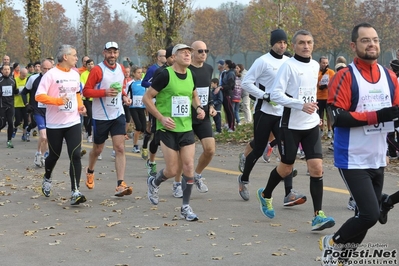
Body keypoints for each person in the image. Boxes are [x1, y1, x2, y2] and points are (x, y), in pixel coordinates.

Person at [320, 22, 399, 264]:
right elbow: (338, 117)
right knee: (369, 214)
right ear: (354, 46)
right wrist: (378, 115)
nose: (372, 44)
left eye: (375, 39)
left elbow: (395, 115)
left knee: (366, 215)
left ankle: (342, 258)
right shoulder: (345, 76)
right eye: (365, 40)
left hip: (377, 156)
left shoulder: (390, 77)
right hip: (352, 157)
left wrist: (392, 146)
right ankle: (332, 242)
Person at [260, 29, 335, 231]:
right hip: (290, 126)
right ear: (294, 46)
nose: (306, 46)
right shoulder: (288, 66)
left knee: (316, 168)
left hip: (310, 124)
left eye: (309, 42)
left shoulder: (314, 66)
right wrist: (299, 105)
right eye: (301, 42)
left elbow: (310, 94)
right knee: (286, 168)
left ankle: (317, 215)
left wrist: (313, 114)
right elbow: (275, 95)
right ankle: (266, 194)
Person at [239, 29, 303, 204]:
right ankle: (244, 179)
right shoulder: (262, 61)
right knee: (259, 149)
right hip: (265, 113)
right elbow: (246, 83)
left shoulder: (289, 62)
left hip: (283, 114)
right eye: (279, 42)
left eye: (284, 42)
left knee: (287, 153)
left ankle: (289, 193)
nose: (282, 45)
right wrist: (265, 96)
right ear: (272, 43)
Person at [143, 44, 205, 221]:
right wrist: (161, 118)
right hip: (168, 129)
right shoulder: (165, 74)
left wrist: (199, 108)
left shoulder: (190, 74)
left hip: (186, 128)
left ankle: (185, 206)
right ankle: (154, 182)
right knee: (172, 170)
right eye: (184, 53)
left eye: (189, 53)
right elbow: (147, 98)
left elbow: (193, 95)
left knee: (188, 167)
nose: (188, 55)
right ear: (174, 56)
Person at [35, 45, 87, 205]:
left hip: (73, 121)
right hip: (55, 124)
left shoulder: (75, 74)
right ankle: (47, 176)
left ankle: (75, 191)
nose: (77, 58)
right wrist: (56, 101)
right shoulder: (50, 75)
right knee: (54, 155)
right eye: (74, 55)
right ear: (65, 56)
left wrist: (80, 106)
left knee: (75, 154)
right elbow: (39, 96)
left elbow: (77, 93)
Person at [83, 41, 133, 197]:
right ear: (104, 53)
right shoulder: (98, 70)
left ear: (118, 53)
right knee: (98, 149)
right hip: (101, 116)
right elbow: (86, 91)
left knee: (120, 148)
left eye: (115, 52)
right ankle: (90, 170)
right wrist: (104, 92)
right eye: (109, 52)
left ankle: (120, 184)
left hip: (117, 113)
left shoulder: (121, 68)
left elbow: (121, 87)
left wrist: (124, 97)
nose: (112, 55)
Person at [21, 59, 53, 167]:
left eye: (49, 69)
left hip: (50, 111)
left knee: (47, 137)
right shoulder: (33, 78)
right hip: (38, 110)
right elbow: (24, 92)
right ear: (40, 68)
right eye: (45, 68)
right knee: (43, 136)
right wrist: (26, 104)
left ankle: (42, 156)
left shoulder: (54, 79)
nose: (47, 71)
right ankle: (38, 153)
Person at [127, 66, 146, 153]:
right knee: (138, 126)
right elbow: (126, 94)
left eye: (141, 72)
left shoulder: (144, 83)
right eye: (138, 72)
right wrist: (127, 101)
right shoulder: (130, 83)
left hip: (142, 107)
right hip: (133, 107)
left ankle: (134, 134)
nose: (140, 74)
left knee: (143, 128)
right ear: (134, 73)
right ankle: (135, 146)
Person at [0, 64, 18, 148]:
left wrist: (17, 91)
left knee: (11, 123)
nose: (6, 71)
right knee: (2, 124)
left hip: (11, 105)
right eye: (5, 69)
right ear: (2, 71)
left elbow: (15, 91)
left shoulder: (13, 80)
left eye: (8, 69)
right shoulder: (0, 81)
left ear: (10, 71)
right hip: (2, 106)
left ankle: (9, 140)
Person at [317, 56, 335, 139]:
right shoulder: (316, 72)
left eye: (326, 63)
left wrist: (328, 85)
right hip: (319, 97)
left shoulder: (331, 72)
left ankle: (329, 131)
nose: (325, 64)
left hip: (328, 97)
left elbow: (335, 83)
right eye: (323, 63)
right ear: (320, 63)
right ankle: (321, 130)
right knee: (319, 115)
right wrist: (320, 85)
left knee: (328, 115)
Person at [217, 59, 236, 132]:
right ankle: (228, 125)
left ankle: (232, 127)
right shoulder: (225, 73)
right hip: (224, 93)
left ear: (227, 65)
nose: (223, 65)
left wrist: (222, 87)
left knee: (230, 111)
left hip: (228, 94)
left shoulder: (231, 73)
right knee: (226, 110)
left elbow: (230, 85)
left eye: (224, 64)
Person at [80, 59, 95, 143]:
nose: (90, 66)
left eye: (92, 64)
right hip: (87, 99)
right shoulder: (83, 74)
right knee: (90, 116)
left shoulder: (96, 73)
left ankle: (92, 133)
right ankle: (89, 134)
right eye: (89, 64)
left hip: (95, 99)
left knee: (93, 117)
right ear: (86, 65)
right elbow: (82, 86)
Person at [13, 68, 29, 141]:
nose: (24, 77)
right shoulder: (15, 80)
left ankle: (24, 134)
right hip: (17, 104)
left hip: (25, 104)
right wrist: (15, 92)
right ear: (20, 73)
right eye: (23, 75)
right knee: (18, 120)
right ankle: (15, 127)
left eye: (25, 75)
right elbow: (12, 91)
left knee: (26, 120)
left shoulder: (28, 80)